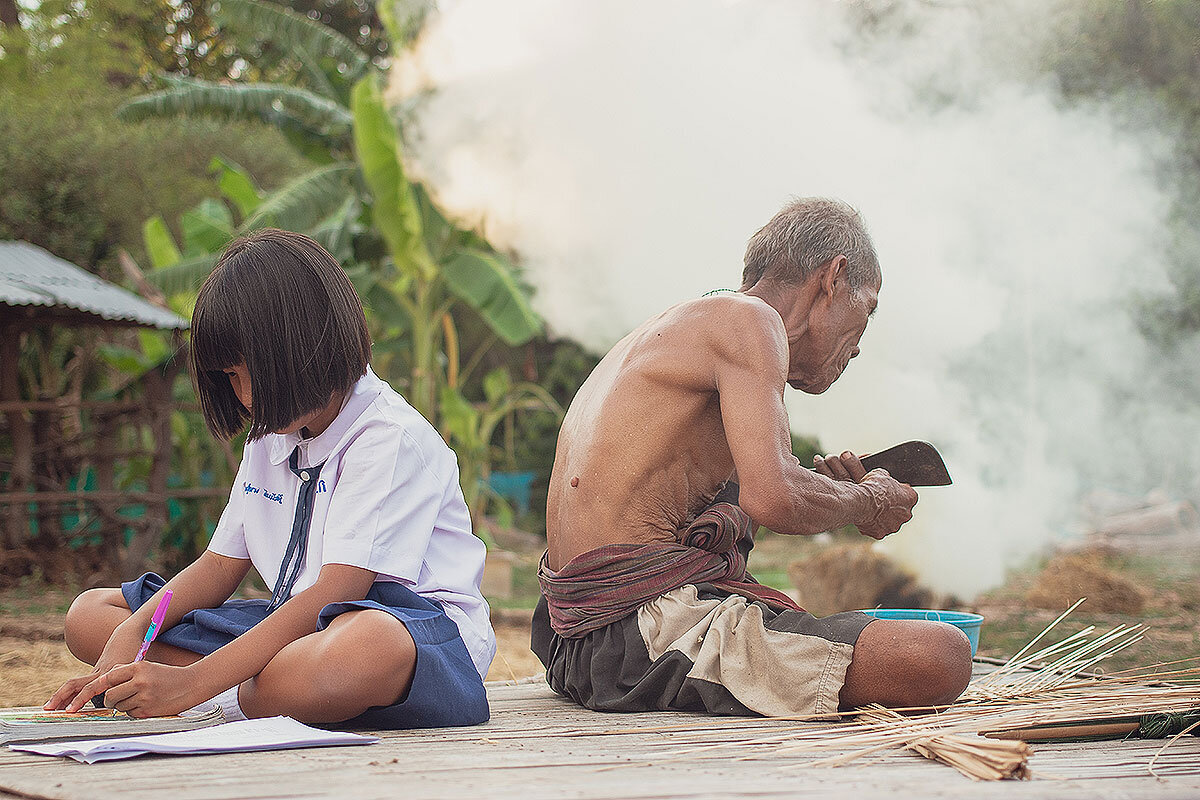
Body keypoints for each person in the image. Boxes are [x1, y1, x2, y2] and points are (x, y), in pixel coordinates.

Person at [532, 198, 972, 717]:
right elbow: (775, 498)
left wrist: (830, 490)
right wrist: (866, 500)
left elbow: (735, 494)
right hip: (638, 637)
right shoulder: (750, 322)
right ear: (833, 278)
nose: (857, 348)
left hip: (570, 641)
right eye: (867, 312)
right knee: (939, 656)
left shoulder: (684, 326)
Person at [45, 229, 494, 728]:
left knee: (357, 654)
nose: (245, 397)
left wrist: (192, 685)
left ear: (303, 347)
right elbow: (217, 568)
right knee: (91, 616)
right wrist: (136, 629)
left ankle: (212, 694)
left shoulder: (387, 436)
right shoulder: (270, 437)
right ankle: (258, 690)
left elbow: (334, 593)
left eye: (248, 373)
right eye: (231, 378)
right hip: (291, 628)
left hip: (411, 636)